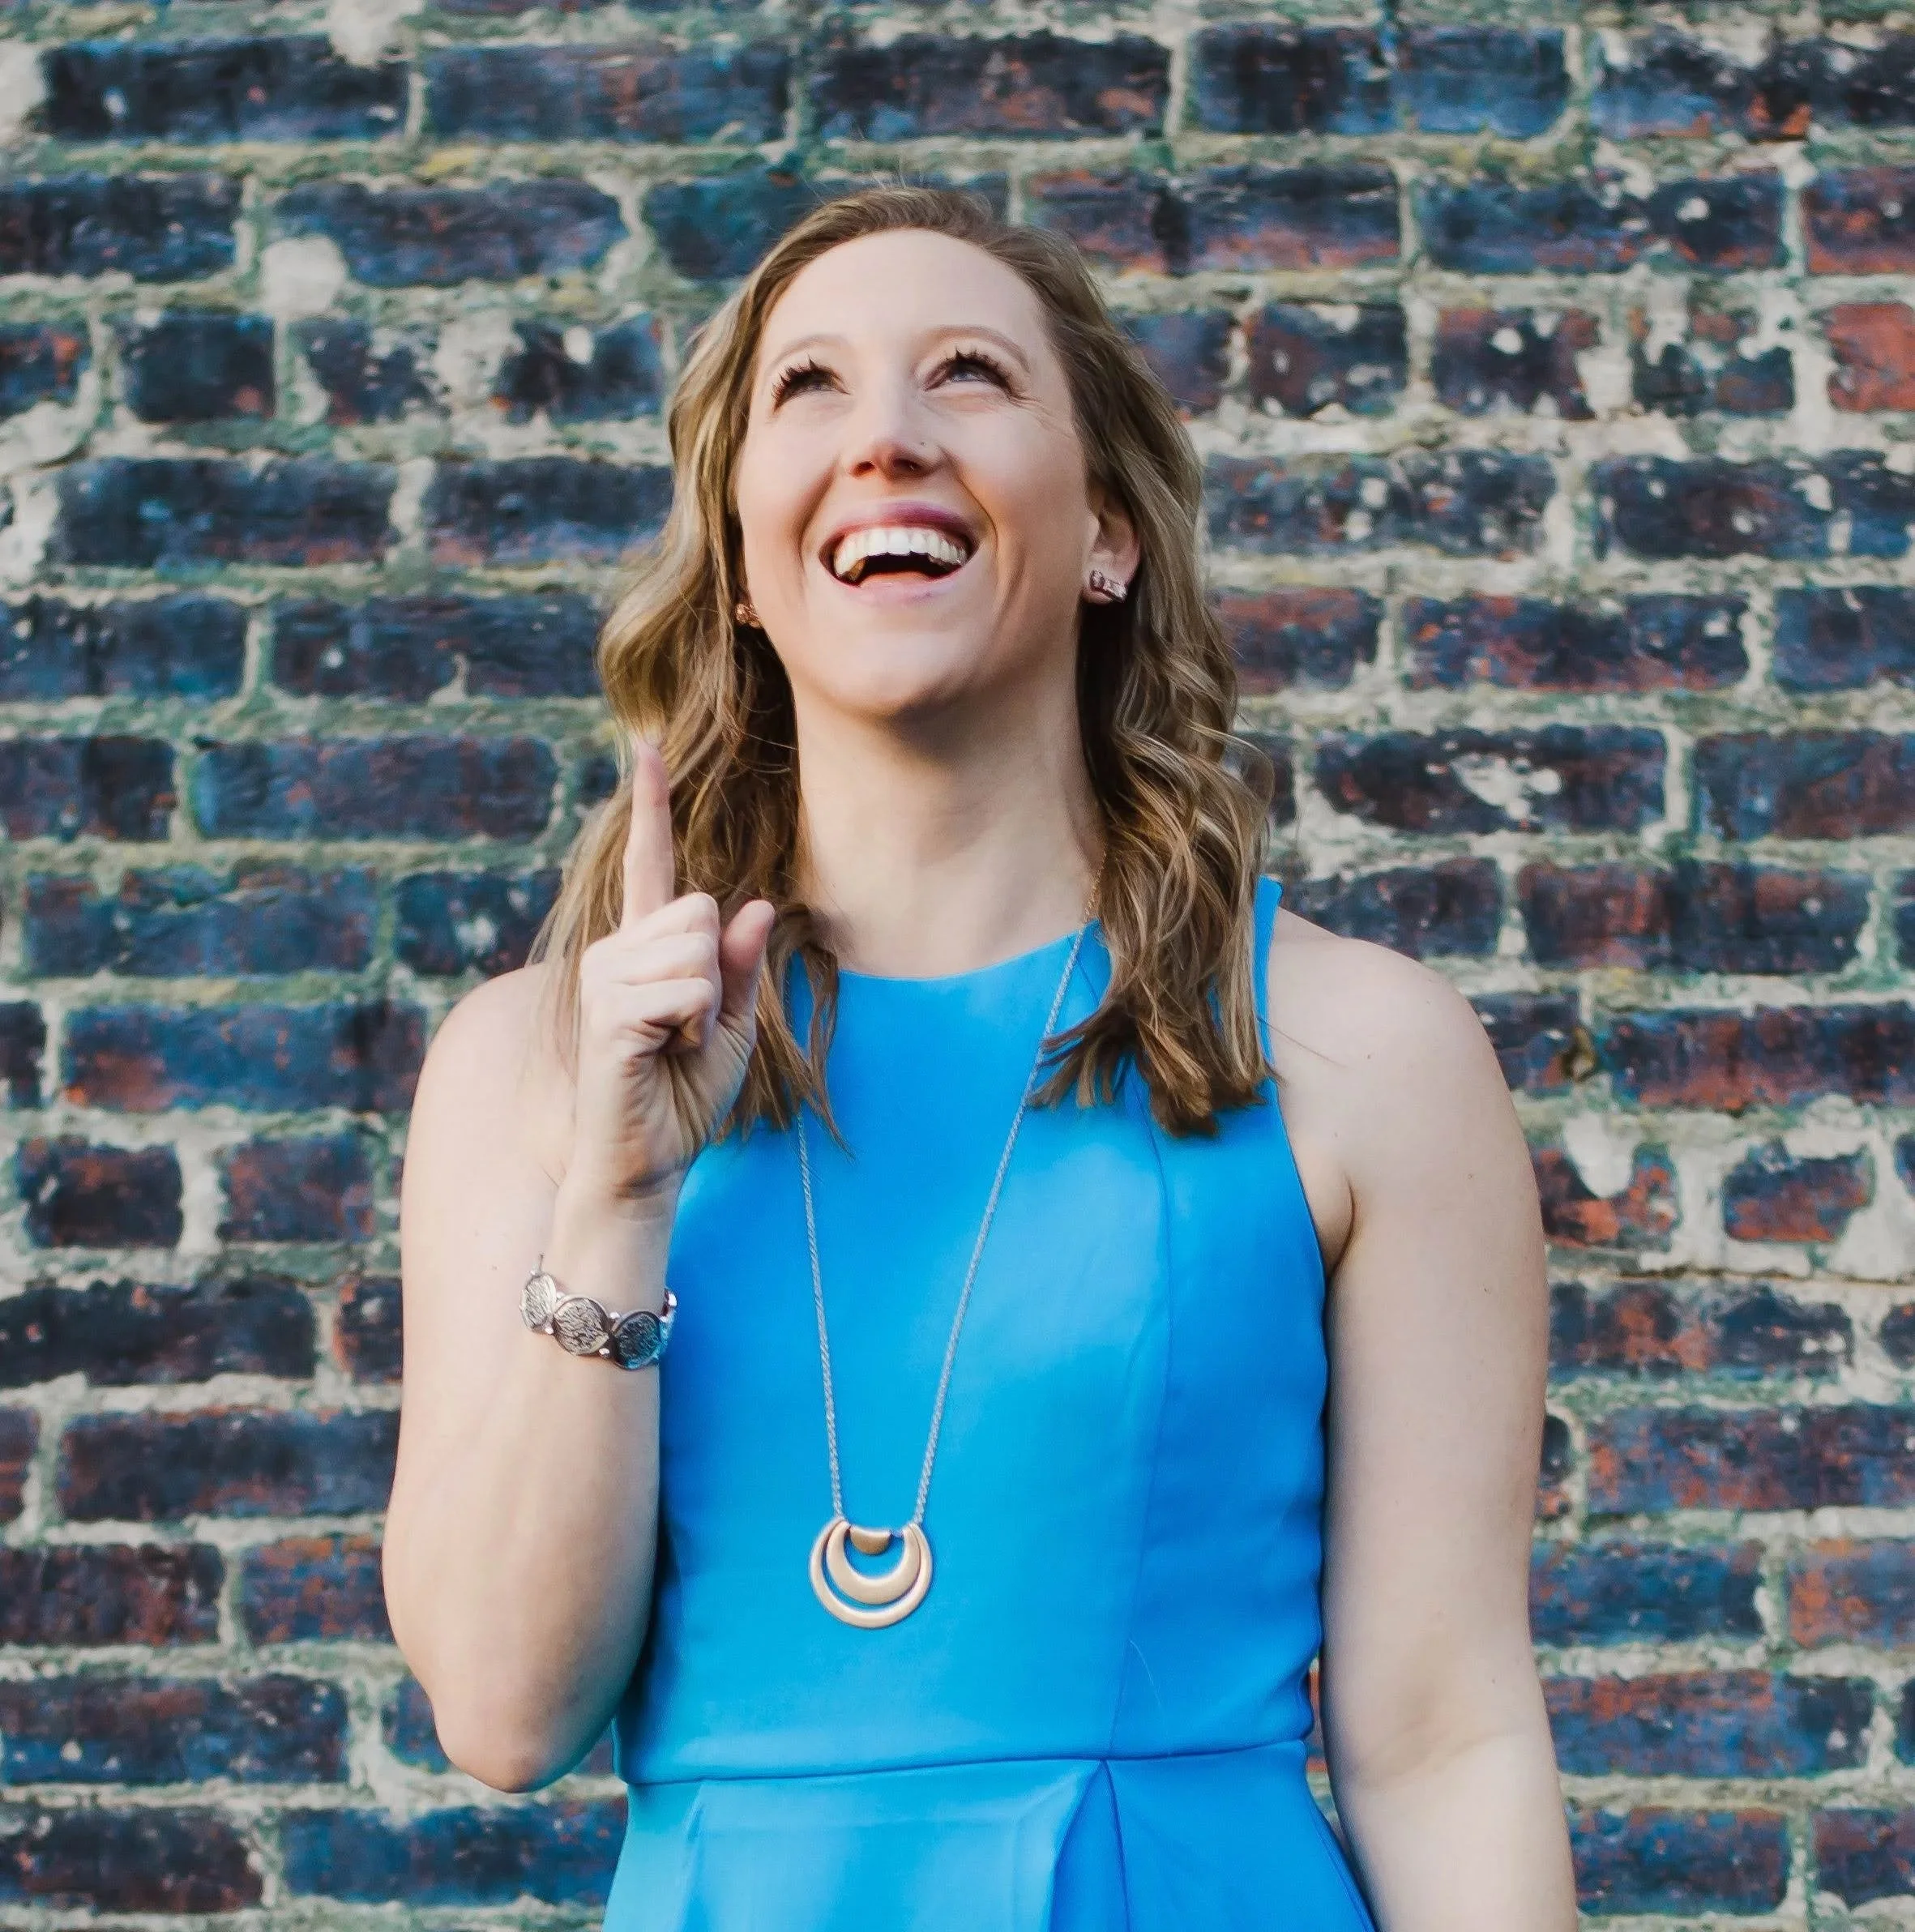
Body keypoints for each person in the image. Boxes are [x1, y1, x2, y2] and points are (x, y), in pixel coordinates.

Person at [383, 184, 1578, 1930]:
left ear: (1103, 531)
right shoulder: (529, 1064)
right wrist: (621, 1190)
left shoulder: (1355, 1052)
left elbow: (1441, 1737)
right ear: (736, 554)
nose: (884, 438)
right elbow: (500, 1715)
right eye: (809, 390)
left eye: (964, 376)